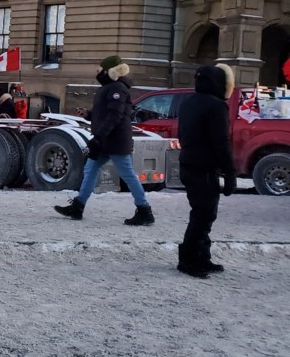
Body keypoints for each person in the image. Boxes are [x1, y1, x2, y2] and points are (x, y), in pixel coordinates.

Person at [54, 55, 155, 225]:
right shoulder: (112, 88)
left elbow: (114, 116)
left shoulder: (117, 89)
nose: (98, 72)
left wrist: (98, 137)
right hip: (107, 140)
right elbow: (107, 114)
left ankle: (144, 209)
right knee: (91, 170)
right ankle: (78, 206)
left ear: (111, 71)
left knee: (128, 174)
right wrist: (89, 114)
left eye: (101, 69)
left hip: (113, 141)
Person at [176, 64, 237, 278]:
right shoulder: (217, 106)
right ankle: (188, 259)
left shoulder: (188, 102)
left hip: (188, 164)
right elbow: (221, 142)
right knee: (203, 215)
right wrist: (230, 173)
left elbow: (182, 134)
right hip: (204, 168)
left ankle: (202, 256)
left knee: (201, 213)